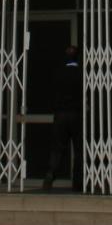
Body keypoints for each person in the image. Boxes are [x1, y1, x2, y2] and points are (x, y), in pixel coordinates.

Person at [42, 44, 81, 190]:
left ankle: (50, 175)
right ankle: (78, 182)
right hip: (76, 114)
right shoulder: (80, 72)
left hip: (60, 115)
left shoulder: (58, 72)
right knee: (79, 149)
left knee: (57, 148)